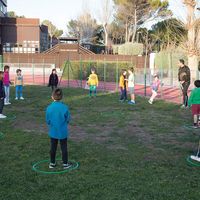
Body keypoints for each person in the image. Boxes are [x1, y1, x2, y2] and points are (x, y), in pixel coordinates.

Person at [46, 88, 71, 169]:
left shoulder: (49, 108)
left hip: (53, 132)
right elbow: (68, 119)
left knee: (53, 147)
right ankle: (65, 164)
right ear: (62, 97)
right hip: (62, 131)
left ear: (52, 97)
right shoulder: (65, 107)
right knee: (64, 147)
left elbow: (48, 121)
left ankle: (52, 163)